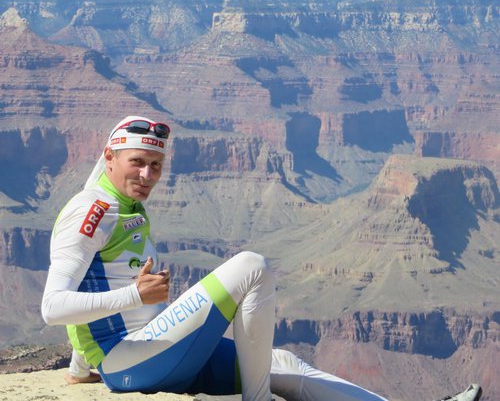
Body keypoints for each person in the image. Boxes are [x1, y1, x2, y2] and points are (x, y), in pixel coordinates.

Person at [41, 115, 483, 401]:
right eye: (137, 163)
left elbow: (92, 285)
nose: (147, 175)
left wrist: (81, 369)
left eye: (156, 166)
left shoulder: (127, 205)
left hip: (159, 353)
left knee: (286, 365)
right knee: (251, 265)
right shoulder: (92, 210)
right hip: (130, 363)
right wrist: (132, 299)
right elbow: (53, 307)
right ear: (109, 157)